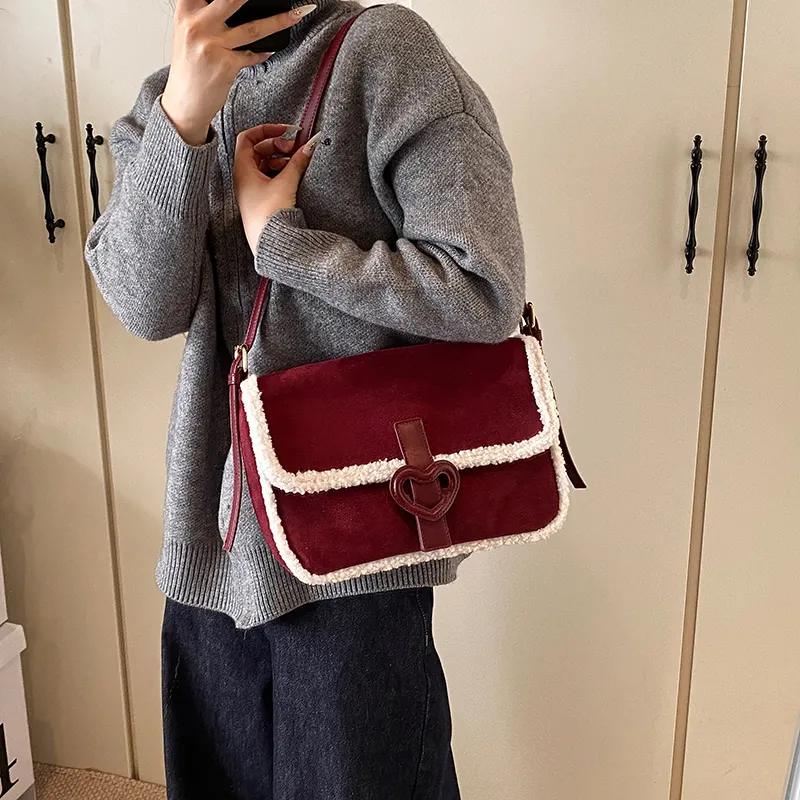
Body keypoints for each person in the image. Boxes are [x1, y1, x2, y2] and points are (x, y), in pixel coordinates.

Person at [85, 0, 526, 797]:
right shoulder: (166, 102)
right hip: (212, 541)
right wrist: (184, 118)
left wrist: (284, 244)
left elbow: (481, 290)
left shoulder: (384, 53)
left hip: (356, 551)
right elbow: (144, 306)